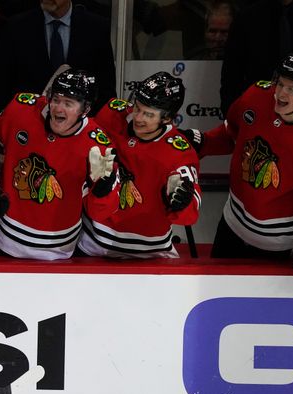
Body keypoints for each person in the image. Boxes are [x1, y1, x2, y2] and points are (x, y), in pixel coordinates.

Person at [187, 52, 293, 281]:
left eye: (292, 88)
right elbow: (230, 134)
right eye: (280, 83)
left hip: (281, 245)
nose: (281, 93)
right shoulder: (257, 95)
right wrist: (200, 143)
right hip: (231, 227)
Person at [0, 68, 120, 260]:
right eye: (55, 100)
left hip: (55, 252)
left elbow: (100, 212)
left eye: (68, 103)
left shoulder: (98, 147)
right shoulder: (21, 109)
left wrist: (103, 187)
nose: (58, 108)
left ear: (85, 110)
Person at [79, 72, 202, 258]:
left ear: (167, 118)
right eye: (137, 108)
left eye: (148, 114)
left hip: (149, 252)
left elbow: (190, 214)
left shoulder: (180, 152)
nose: (138, 117)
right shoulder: (114, 113)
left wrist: (182, 203)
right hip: (93, 241)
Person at [0, 0, 116, 115]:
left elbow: (106, 88)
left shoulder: (96, 27)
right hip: (27, 126)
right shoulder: (15, 27)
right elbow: (2, 89)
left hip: (79, 127)